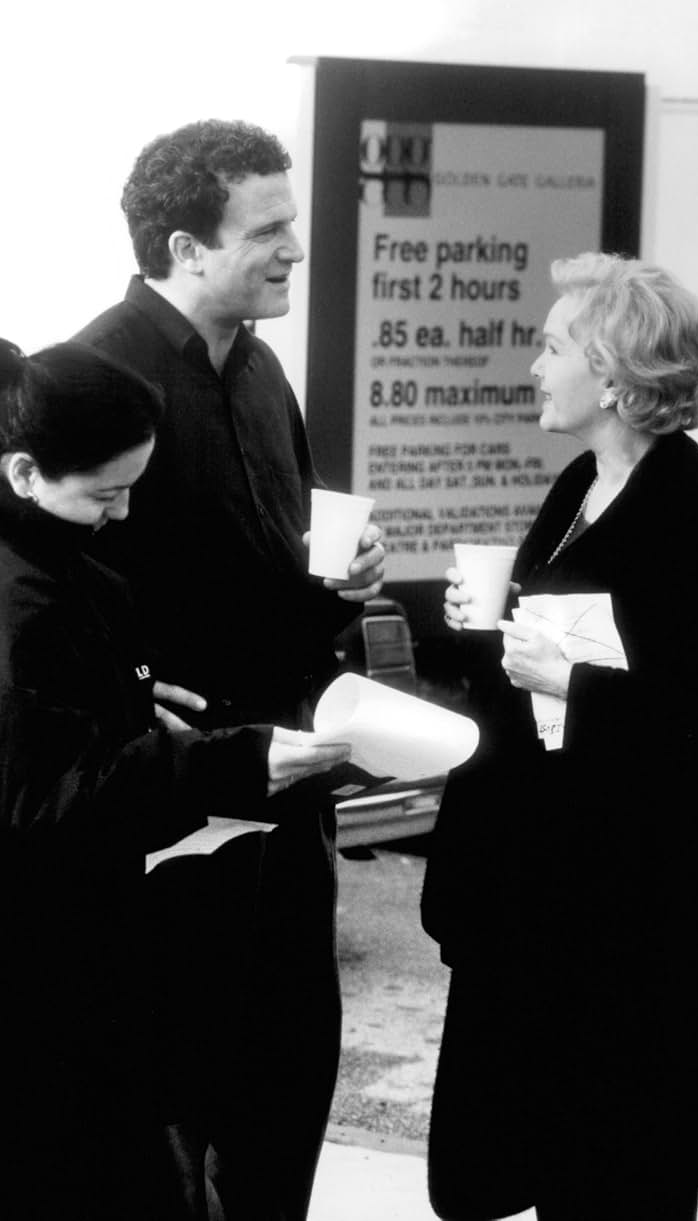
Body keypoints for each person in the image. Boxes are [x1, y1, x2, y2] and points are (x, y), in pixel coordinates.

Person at [421, 252, 698, 1221]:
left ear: (615, 378)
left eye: (549, 347)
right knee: (555, 1164)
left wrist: (573, 688)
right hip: (556, 904)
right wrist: (482, 630)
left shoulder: (684, 513)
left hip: (628, 931)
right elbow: (544, 668)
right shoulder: (584, 481)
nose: (532, 365)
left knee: (615, 1175)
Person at [73, 119, 385, 1220]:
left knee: (288, 1072)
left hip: (289, 785)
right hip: (172, 814)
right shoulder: (97, 377)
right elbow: (38, 585)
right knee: (170, 1099)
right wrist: (124, 687)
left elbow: (266, 566)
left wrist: (331, 583)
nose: (296, 247)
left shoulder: (261, 375)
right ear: (184, 246)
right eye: (271, 228)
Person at [0, 339, 351, 1221]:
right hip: (42, 978)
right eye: (105, 493)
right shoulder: (20, 603)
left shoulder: (61, 571)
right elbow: (38, 798)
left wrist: (129, 693)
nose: (120, 515)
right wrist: (226, 760)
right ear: (22, 472)